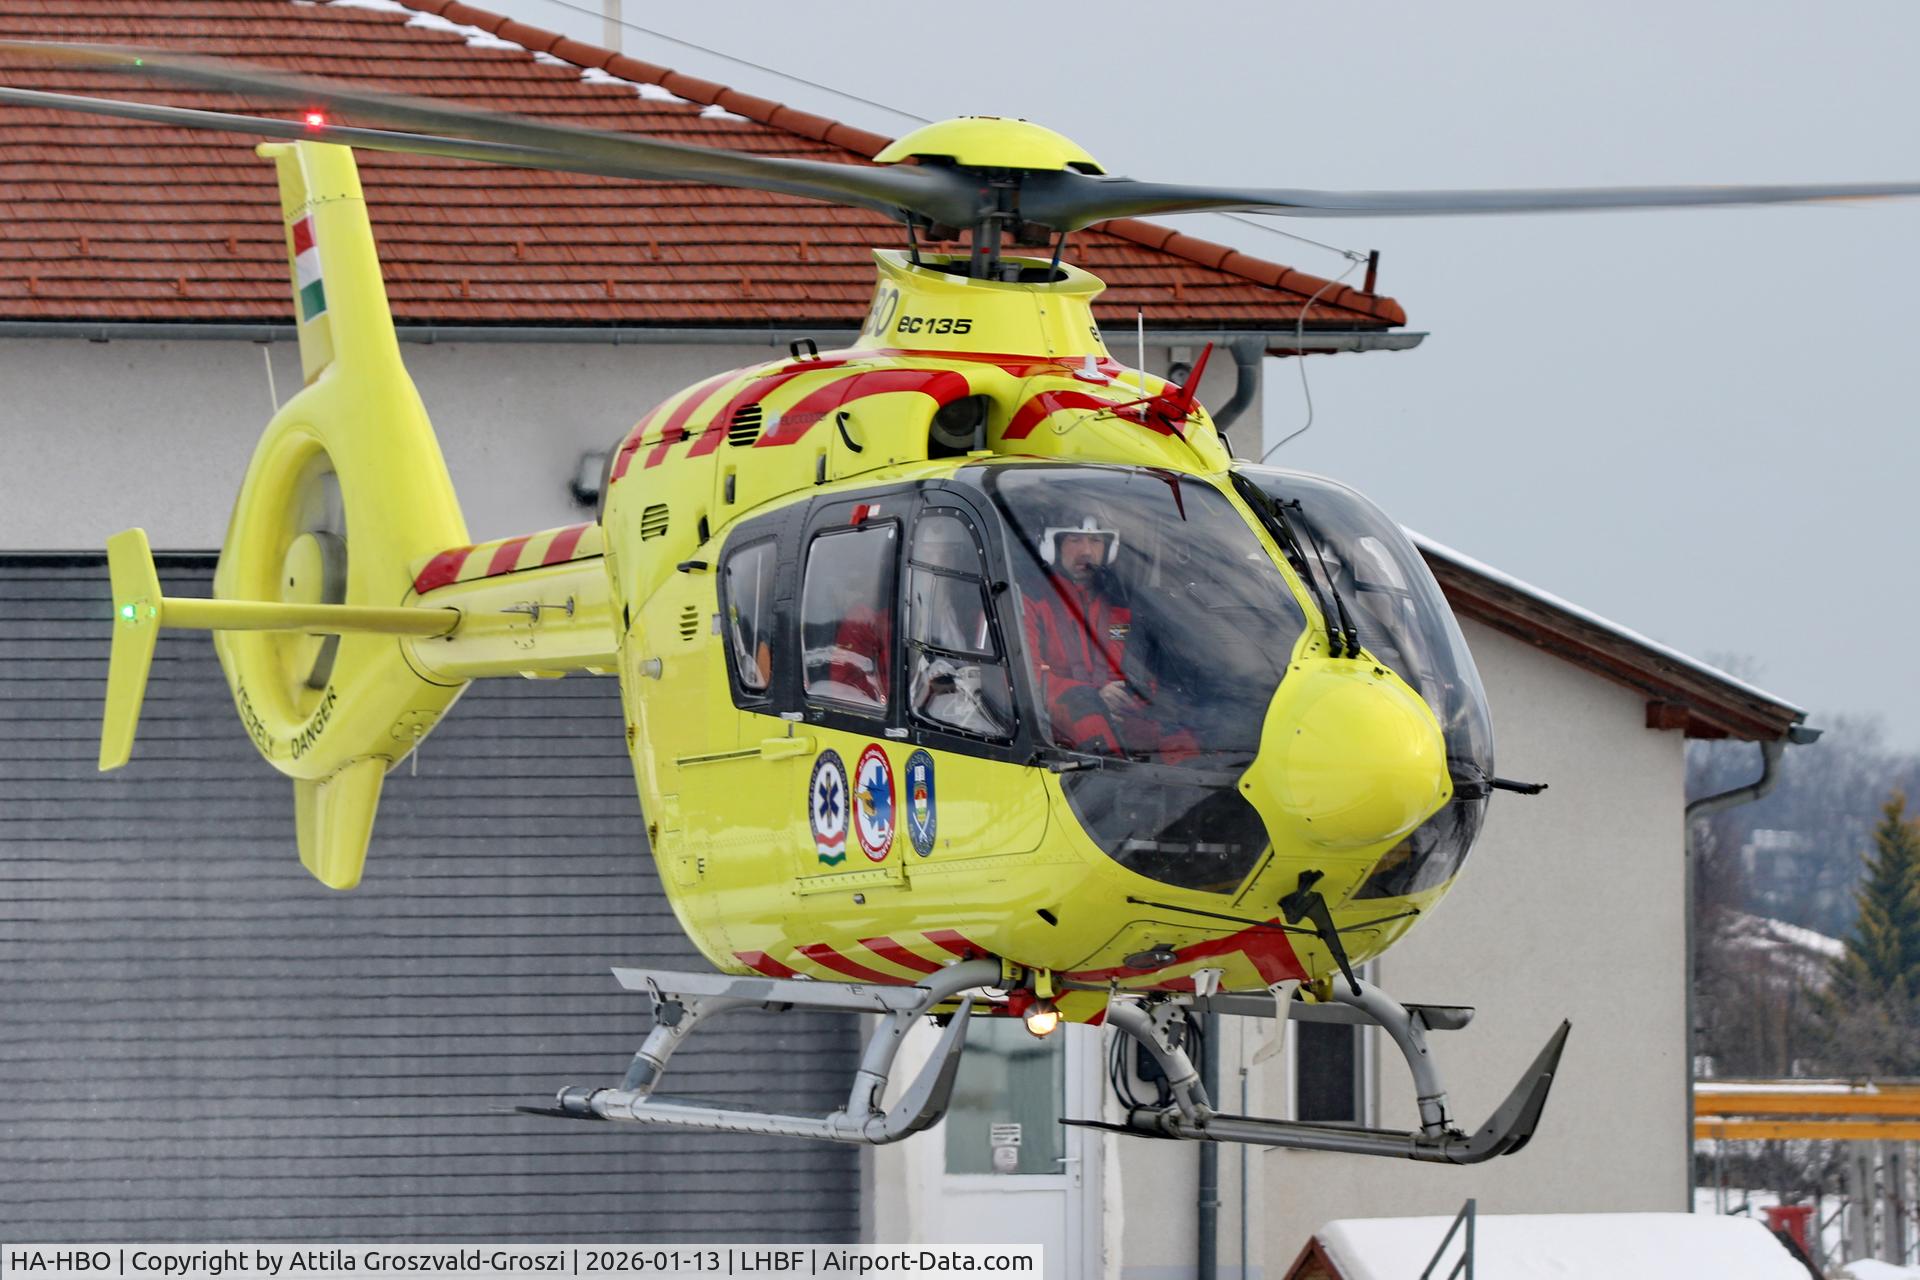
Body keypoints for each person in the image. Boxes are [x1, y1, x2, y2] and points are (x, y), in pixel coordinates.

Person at [1020, 512, 1190, 758]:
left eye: (1096, 541)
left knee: (1180, 728)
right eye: (1074, 540)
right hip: (1057, 722)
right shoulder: (1029, 599)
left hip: (1117, 713)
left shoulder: (1121, 602)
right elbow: (1025, 677)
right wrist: (1095, 696)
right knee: (1087, 714)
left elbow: (1142, 671)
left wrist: (1132, 693)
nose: (1087, 552)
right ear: (1053, 544)